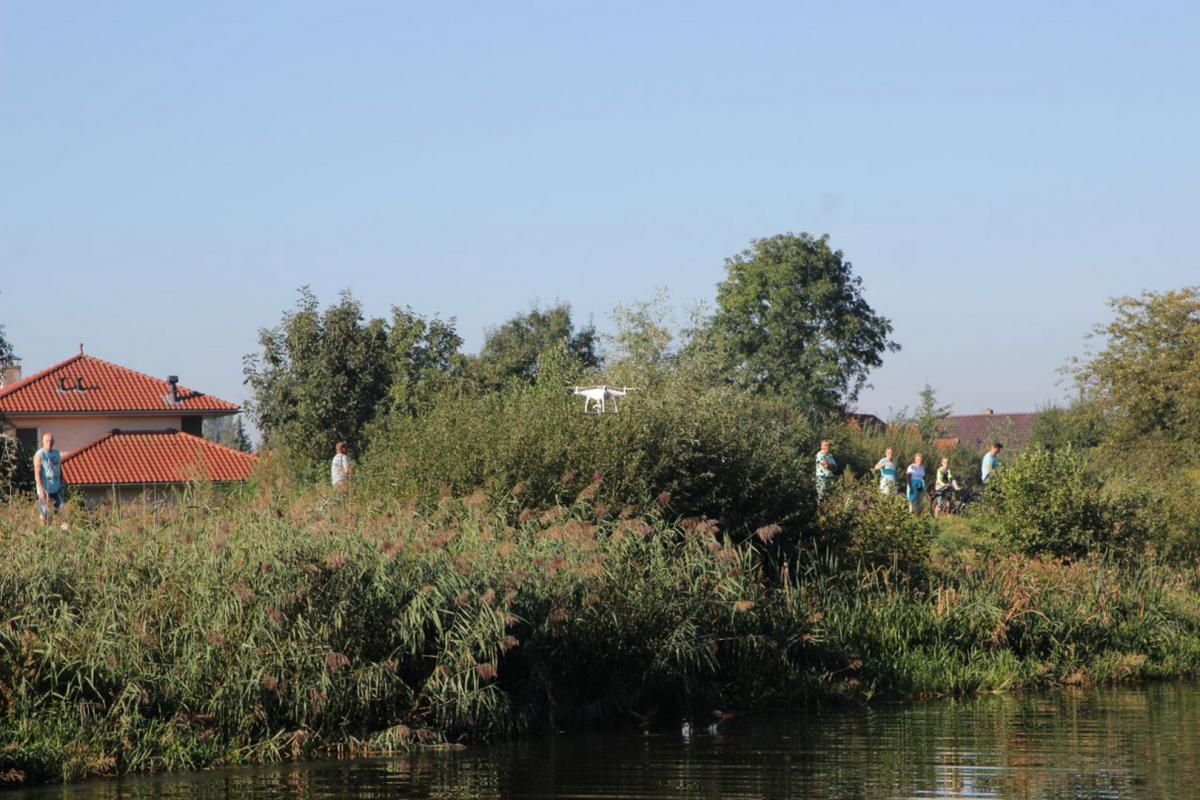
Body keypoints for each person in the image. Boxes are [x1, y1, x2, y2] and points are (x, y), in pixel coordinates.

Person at [33, 432, 65, 526]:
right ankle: (43, 534)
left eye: (51, 441)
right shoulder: (40, 455)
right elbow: (37, 475)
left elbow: (60, 468)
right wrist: (41, 490)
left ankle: (59, 532)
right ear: (43, 442)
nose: (49, 443)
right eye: (47, 441)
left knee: (61, 511)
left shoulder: (56, 453)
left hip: (57, 488)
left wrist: (62, 482)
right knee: (44, 513)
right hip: (45, 488)